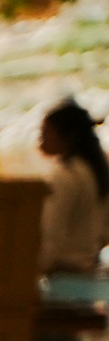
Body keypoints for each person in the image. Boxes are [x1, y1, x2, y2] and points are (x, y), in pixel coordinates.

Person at [44, 100, 109, 275]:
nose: (41, 139)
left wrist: (39, 264)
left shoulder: (66, 176)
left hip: (64, 272)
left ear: (67, 136)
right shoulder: (97, 169)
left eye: (47, 133)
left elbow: (52, 231)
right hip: (89, 267)